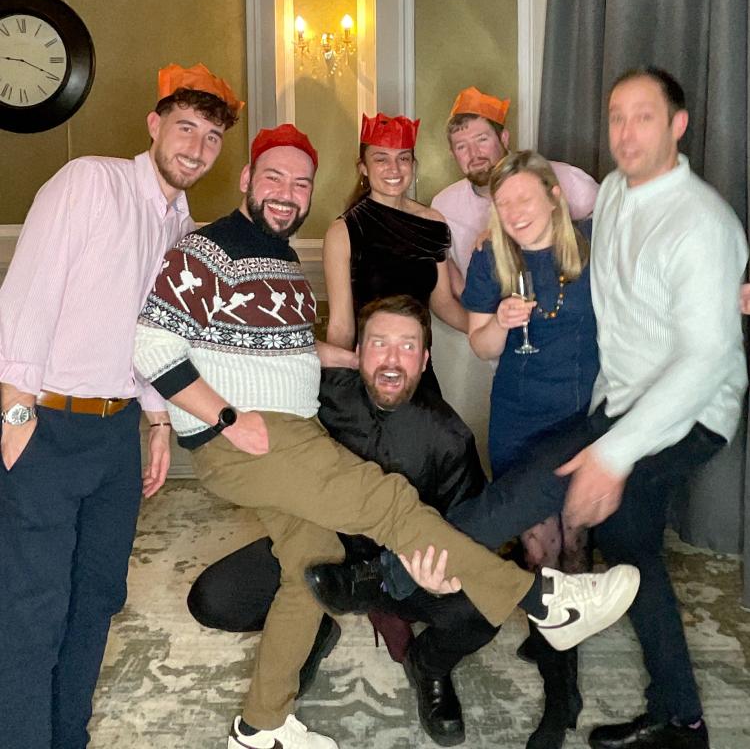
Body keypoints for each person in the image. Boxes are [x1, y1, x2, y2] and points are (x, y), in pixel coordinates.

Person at [133, 123, 639, 749]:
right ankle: (542, 601)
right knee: (385, 500)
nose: (288, 193)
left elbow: (287, 348)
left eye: (301, 183)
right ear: (246, 179)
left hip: (282, 430)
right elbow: (151, 344)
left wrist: (353, 357)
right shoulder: (206, 248)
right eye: (274, 178)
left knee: (308, 565)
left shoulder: (281, 261)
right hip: (253, 433)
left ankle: (259, 725)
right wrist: (225, 417)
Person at [419, 67, 748, 749]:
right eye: (617, 117)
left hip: (639, 414)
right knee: (583, 551)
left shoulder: (658, 228)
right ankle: (637, 708)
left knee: (554, 529)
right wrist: (498, 316)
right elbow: (484, 337)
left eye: (643, 116)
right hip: (576, 409)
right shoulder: (606, 200)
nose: (625, 131)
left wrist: (614, 454)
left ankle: (403, 574)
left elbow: (695, 342)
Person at [0, 61, 242, 749]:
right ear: (154, 124)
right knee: (32, 605)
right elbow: (29, 294)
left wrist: (158, 419)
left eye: (212, 137)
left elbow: (151, 334)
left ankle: (66, 735)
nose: (196, 147)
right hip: (46, 424)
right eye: (186, 127)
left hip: (116, 435)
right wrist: (15, 410)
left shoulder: (181, 226)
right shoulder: (90, 182)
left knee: (97, 595)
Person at [188, 294, 497, 747]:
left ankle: (428, 666)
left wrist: (440, 571)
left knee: (485, 606)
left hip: (397, 573)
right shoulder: (314, 396)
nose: (391, 360)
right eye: (379, 343)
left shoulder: (449, 436)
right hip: (319, 552)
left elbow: (470, 531)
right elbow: (254, 362)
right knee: (213, 600)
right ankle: (313, 625)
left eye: (407, 346)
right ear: (358, 351)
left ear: (425, 359)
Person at [462, 150, 597, 749]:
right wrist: (500, 321)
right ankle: (561, 692)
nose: (515, 211)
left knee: (576, 540)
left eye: (524, 197)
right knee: (540, 548)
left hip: (581, 419)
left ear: (552, 196)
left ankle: (560, 654)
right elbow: (481, 345)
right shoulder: (490, 258)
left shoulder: (592, 248)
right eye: (504, 202)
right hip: (518, 419)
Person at [429, 87, 599, 465]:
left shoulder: (572, 189)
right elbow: (451, 293)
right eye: (461, 146)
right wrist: (496, 323)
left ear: (504, 137)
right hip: (513, 388)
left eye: (482, 139)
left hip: (580, 391)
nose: (473, 153)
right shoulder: (449, 212)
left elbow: (620, 224)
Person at [323, 112, 467, 393]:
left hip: (418, 365)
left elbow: (443, 302)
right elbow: (341, 326)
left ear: (413, 164)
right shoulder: (343, 232)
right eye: (381, 159)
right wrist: (338, 388)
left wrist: (489, 329)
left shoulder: (433, 222)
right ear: (363, 167)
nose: (394, 168)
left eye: (403, 158)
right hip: (369, 371)